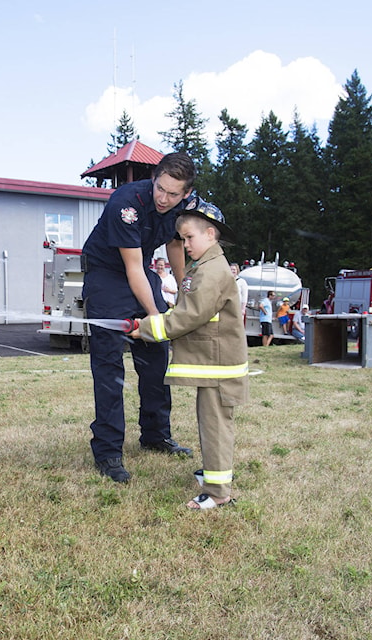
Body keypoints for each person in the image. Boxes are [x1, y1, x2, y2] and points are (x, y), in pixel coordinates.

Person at [81, 152, 196, 483]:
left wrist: (183, 287)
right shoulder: (126, 202)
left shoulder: (183, 206)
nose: (164, 198)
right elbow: (132, 268)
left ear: (185, 194)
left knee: (156, 356)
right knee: (109, 367)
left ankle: (156, 435)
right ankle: (108, 451)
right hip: (107, 274)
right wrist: (157, 317)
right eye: (160, 189)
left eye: (173, 194)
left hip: (142, 272)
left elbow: (175, 245)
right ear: (154, 178)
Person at [129, 197, 247, 509]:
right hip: (213, 364)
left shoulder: (211, 272)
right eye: (181, 239)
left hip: (218, 366)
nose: (185, 245)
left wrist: (146, 328)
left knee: (216, 425)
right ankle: (213, 474)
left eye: (189, 238)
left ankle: (218, 492)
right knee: (210, 422)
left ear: (211, 234)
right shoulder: (205, 267)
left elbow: (190, 315)